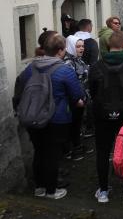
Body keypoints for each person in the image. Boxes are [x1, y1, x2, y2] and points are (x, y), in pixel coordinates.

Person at [16, 33, 85, 200]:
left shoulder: (30, 69)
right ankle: (52, 190)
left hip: (33, 117)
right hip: (57, 119)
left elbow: (19, 89)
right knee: (53, 155)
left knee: (39, 152)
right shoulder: (64, 70)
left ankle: (39, 188)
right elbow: (78, 97)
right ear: (60, 51)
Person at [89, 30, 123, 203]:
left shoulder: (96, 67)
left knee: (103, 152)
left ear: (108, 45)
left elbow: (92, 91)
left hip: (102, 115)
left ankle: (103, 190)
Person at [63, 35, 91, 161]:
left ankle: (77, 146)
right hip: (74, 100)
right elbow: (71, 83)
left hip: (81, 97)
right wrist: (77, 99)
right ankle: (73, 150)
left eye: (82, 46)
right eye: (78, 46)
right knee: (73, 124)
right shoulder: (68, 62)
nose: (81, 49)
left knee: (78, 123)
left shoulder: (78, 59)